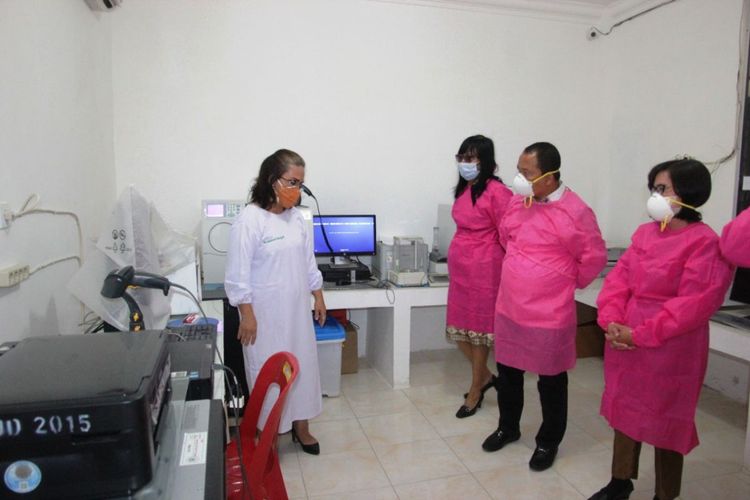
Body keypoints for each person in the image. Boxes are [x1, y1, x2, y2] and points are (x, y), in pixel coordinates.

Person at [588, 159, 734, 500]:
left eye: (662, 189)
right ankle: (619, 481)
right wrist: (611, 321)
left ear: (688, 192)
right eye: (653, 188)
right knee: (625, 409)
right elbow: (618, 281)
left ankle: (666, 494)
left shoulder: (705, 243)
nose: (655, 196)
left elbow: (693, 304)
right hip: (625, 335)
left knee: (667, 419)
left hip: (671, 345)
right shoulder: (645, 234)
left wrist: (640, 334)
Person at [482, 142, 606, 472]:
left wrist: (559, 280)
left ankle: (547, 441)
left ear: (550, 177)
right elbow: (506, 237)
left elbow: (593, 258)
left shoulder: (576, 212)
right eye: (519, 171)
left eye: (527, 173)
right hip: (510, 306)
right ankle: (508, 427)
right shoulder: (518, 202)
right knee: (508, 374)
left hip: (549, 312)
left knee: (550, 380)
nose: (519, 179)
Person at [225, 149, 326, 455]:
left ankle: (302, 428)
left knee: (302, 366)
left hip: (296, 312)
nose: (297, 189)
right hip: (264, 316)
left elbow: (308, 262)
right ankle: (266, 435)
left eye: (301, 183)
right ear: (272, 180)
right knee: (267, 374)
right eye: (292, 182)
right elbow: (237, 274)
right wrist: (247, 314)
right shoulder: (249, 220)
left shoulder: (297, 219)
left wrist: (318, 295)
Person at [446, 135, 512, 418]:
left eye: (471, 158)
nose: (465, 164)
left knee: (479, 333)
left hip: (486, 267)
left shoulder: (498, 192)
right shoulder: (464, 189)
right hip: (462, 267)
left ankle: (475, 389)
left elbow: (508, 233)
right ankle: (485, 376)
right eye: (462, 158)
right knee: (459, 329)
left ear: (485, 161)